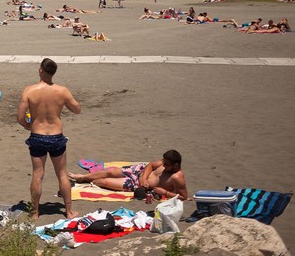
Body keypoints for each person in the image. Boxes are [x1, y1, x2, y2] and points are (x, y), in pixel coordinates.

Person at [17, 58, 81, 219]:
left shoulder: (29, 90)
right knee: (62, 174)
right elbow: (77, 109)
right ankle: (68, 211)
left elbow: (20, 117)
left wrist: (28, 125)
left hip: (37, 135)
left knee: (38, 174)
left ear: (40, 70)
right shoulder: (62, 90)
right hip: (56, 136)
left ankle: (35, 212)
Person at [69, 150, 188, 202]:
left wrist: (165, 192)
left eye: (167, 164)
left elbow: (183, 196)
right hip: (139, 172)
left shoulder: (177, 178)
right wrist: (144, 178)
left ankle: (91, 182)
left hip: (135, 184)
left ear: (175, 165)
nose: (163, 165)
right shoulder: (163, 163)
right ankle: (82, 177)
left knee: (104, 182)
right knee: (110, 172)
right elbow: (151, 165)